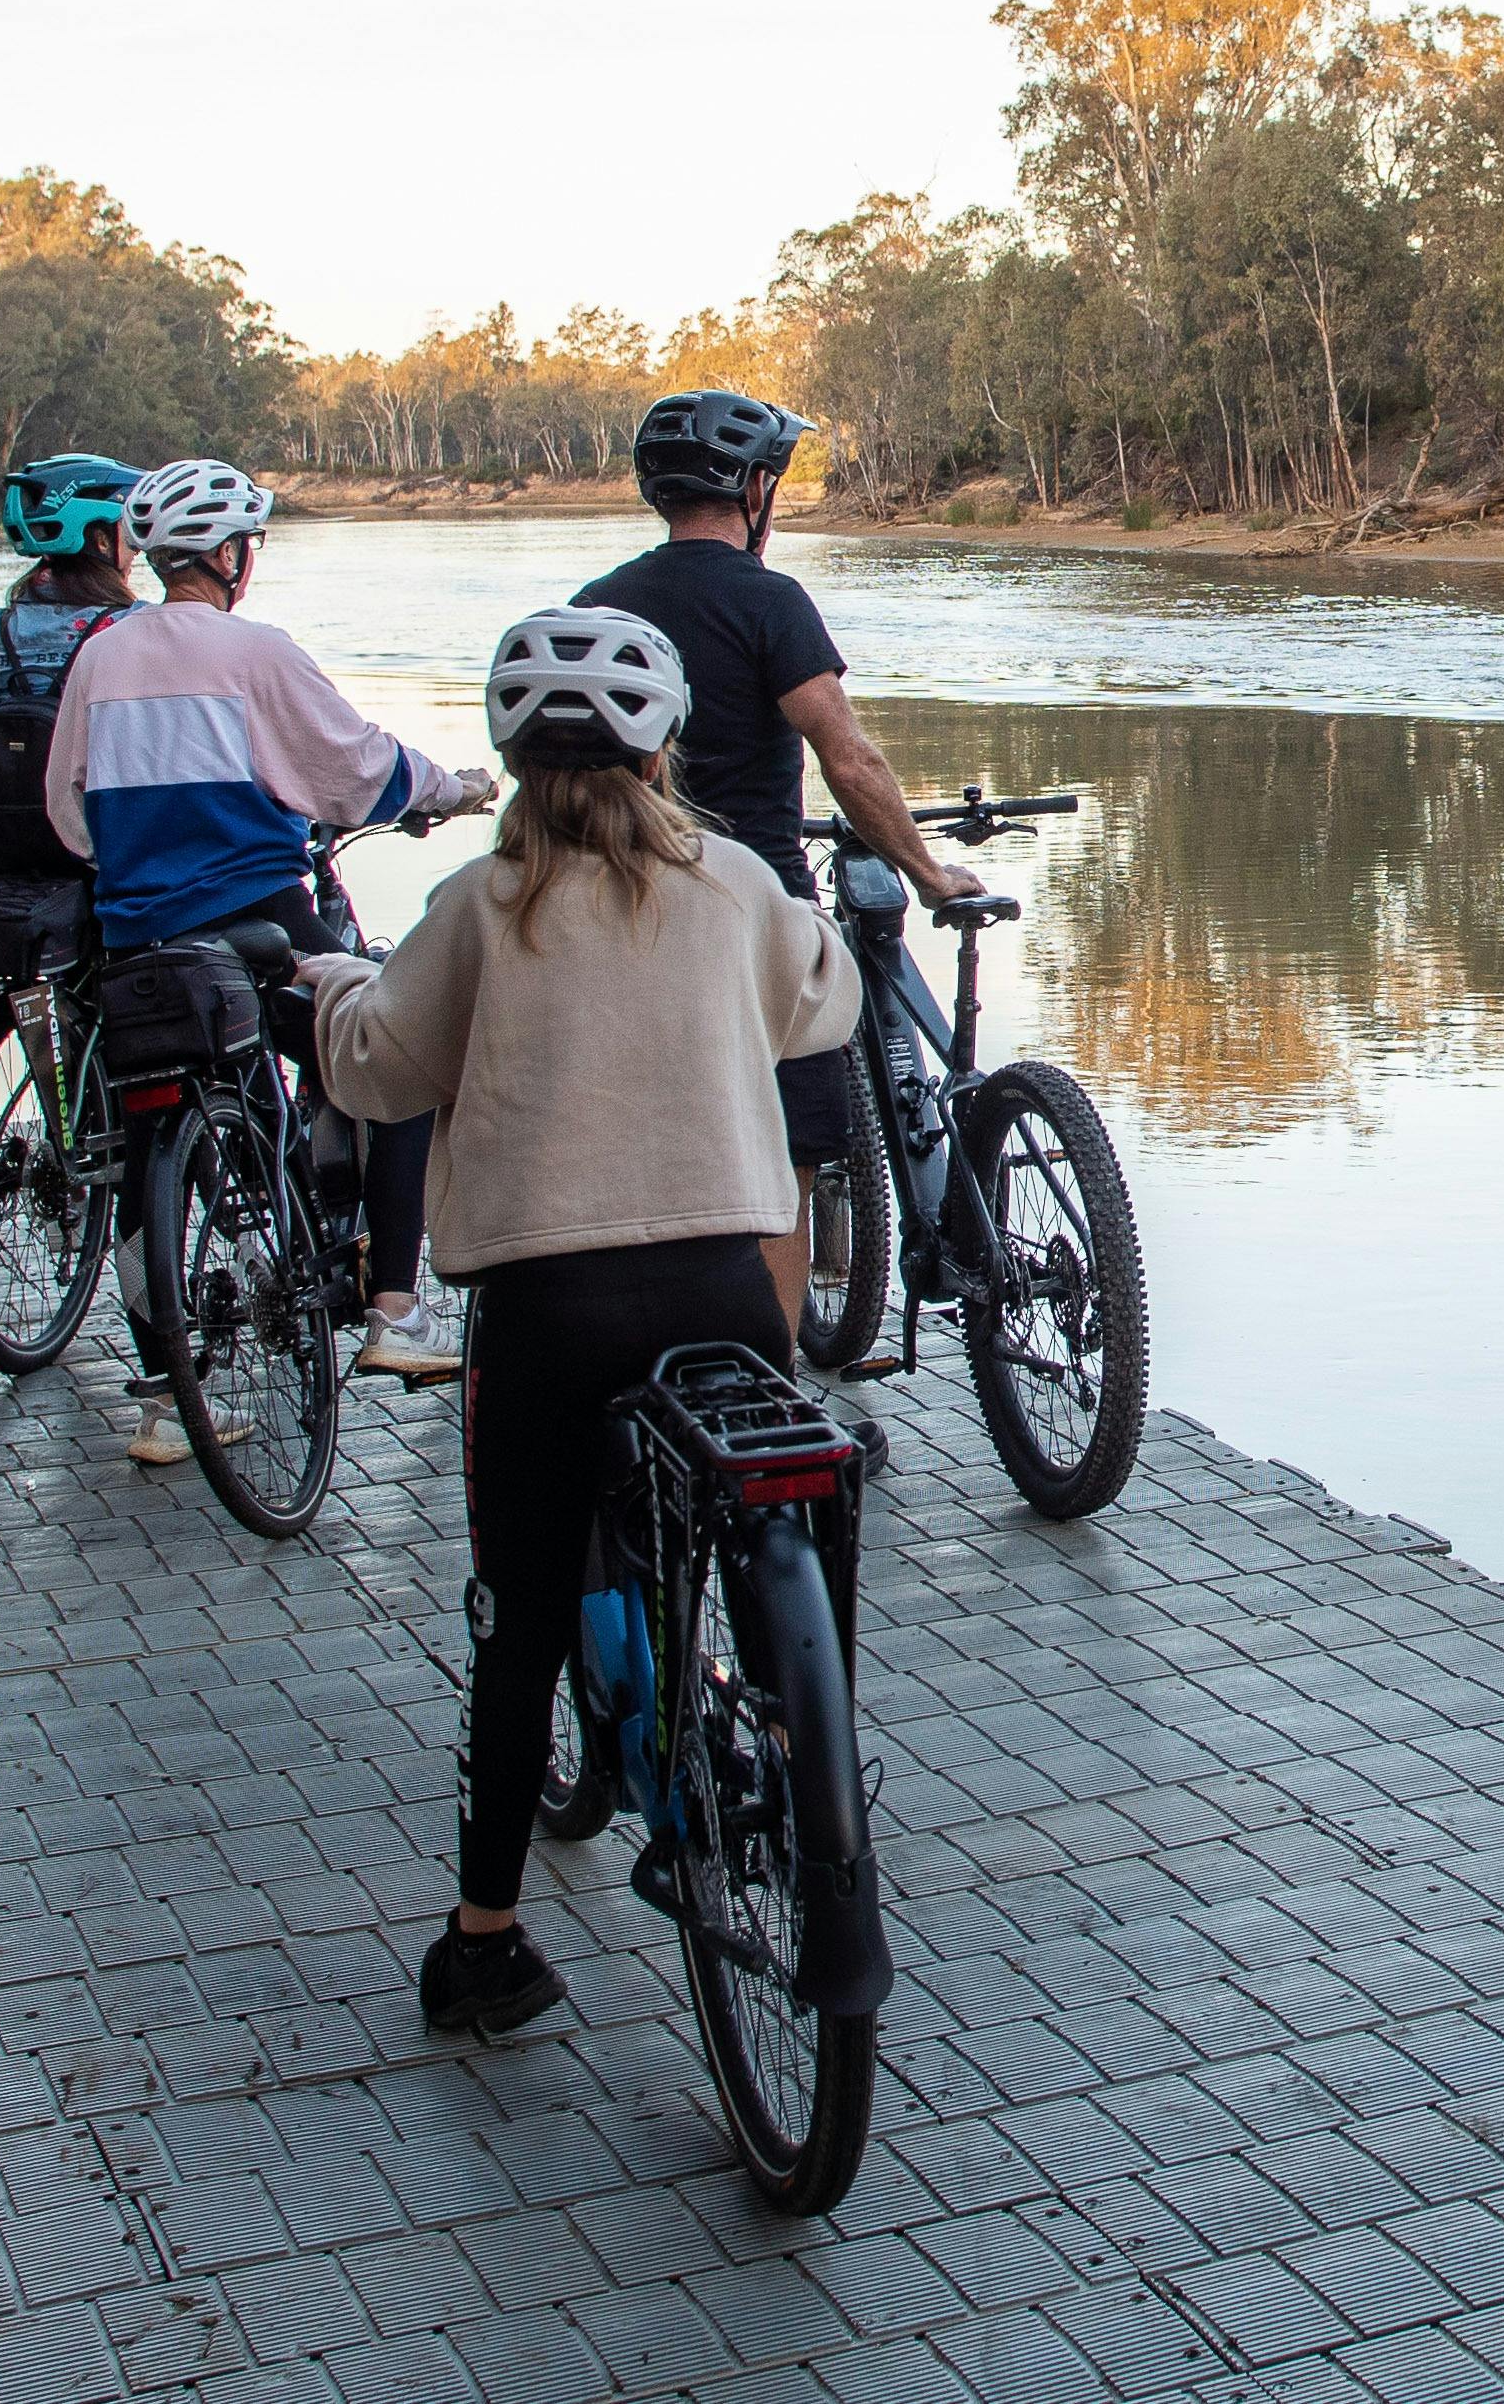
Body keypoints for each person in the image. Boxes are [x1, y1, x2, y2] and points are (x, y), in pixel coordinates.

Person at [307, 607, 869, 2046]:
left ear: (508, 755)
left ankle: (485, 1941)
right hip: (722, 1289)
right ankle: (805, 1763)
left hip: (547, 1309)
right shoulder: (736, 880)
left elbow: (377, 1074)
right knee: (768, 1510)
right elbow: (827, 1007)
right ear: (663, 745)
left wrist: (332, 996)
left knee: (522, 1617)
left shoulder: (481, 904)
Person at [45, 459, 498, 1444]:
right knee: (396, 1050)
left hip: (137, 949)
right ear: (230, 555)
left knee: (142, 1156)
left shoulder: (100, 656)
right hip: (256, 929)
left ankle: (168, 1400)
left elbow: (69, 814)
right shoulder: (257, 652)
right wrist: (453, 789)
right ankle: (393, 1311)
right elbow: (357, 766)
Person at [569, 393, 980, 1331]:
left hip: (623, 911)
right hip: (757, 919)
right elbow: (849, 759)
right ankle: (774, 1388)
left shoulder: (597, 607)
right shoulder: (769, 601)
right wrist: (926, 872)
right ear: (755, 490)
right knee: (783, 1164)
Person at [0, 454, 144, 885]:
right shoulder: (130, 626)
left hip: (9, 840)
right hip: (99, 841)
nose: (136, 549)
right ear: (101, 539)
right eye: (129, 534)